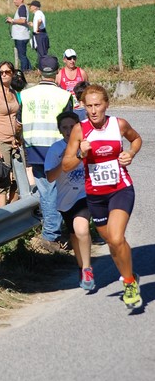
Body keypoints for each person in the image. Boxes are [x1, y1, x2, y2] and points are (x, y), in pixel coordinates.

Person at [62, 84, 143, 309]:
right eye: (89, 106)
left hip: (120, 189)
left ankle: (128, 284)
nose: (94, 110)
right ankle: (130, 275)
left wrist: (130, 153)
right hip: (96, 196)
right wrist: (81, 153)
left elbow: (136, 139)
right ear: (84, 107)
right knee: (112, 243)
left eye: (98, 105)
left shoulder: (119, 125)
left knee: (117, 238)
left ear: (106, 105)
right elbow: (66, 165)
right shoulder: (80, 130)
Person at [17, 55, 73, 252]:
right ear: (57, 72)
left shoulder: (26, 95)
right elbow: (70, 125)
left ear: (38, 72)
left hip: (35, 148)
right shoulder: (64, 95)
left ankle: (52, 232)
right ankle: (52, 234)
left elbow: (19, 120)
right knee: (59, 190)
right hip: (57, 147)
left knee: (46, 190)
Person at [45, 112, 94, 290]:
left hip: (85, 195)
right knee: (74, 235)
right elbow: (50, 177)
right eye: (64, 127)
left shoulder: (86, 146)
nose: (68, 131)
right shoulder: (56, 149)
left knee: (81, 229)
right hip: (65, 200)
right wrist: (66, 159)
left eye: (72, 127)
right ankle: (81, 267)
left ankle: (88, 269)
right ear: (59, 130)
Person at [0, 61, 20, 207]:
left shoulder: (14, 93)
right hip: (0, 141)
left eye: (7, 72)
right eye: (1, 72)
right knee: (2, 181)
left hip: (15, 141)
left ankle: (14, 209)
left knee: (19, 179)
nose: (4, 75)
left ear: (12, 73)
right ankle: (3, 213)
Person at [5, 0, 32, 71]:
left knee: (21, 56)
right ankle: (29, 70)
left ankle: (24, 71)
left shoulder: (22, 8)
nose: (14, 1)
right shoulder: (21, 8)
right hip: (21, 36)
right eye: (14, 0)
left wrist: (12, 20)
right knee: (22, 55)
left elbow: (23, 20)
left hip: (21, 36)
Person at [28, 0, 49, 67]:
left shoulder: (38, 13)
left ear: (35, 7)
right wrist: (33, 24)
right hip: (40, 34)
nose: (30, 7)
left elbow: (39, 21)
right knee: (41, 53)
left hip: (40, 35)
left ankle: (44, 68)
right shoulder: (38, 13)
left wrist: (36, 28)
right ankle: (42, 67)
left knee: (42, 53)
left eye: (31, 6)